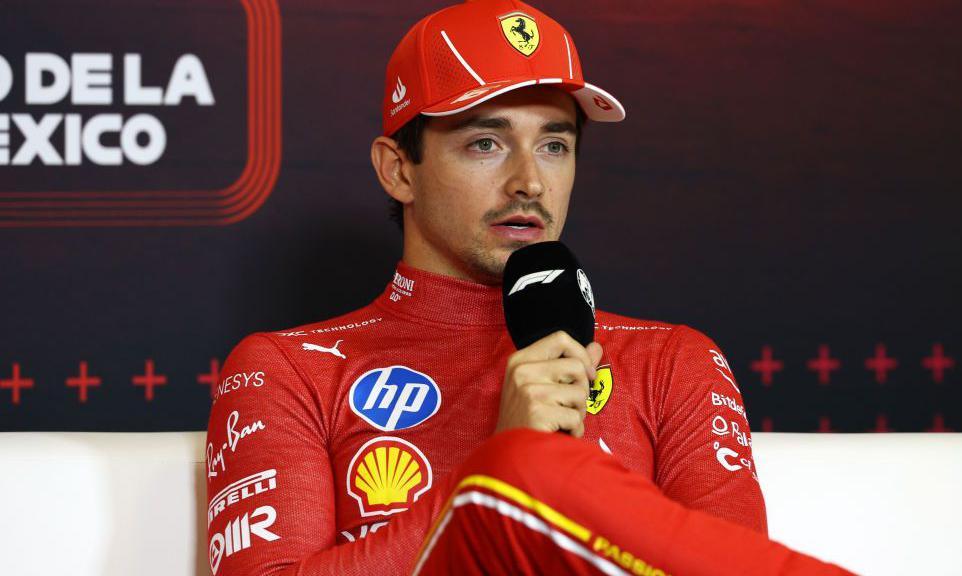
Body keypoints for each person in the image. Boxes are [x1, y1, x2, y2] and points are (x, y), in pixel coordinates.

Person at [205, 1, 851, 574]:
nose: (530, 182)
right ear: (398, 170)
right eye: (486, 142)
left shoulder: (672, 362)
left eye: (554, 145)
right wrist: (493, 472)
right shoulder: (290, 370)